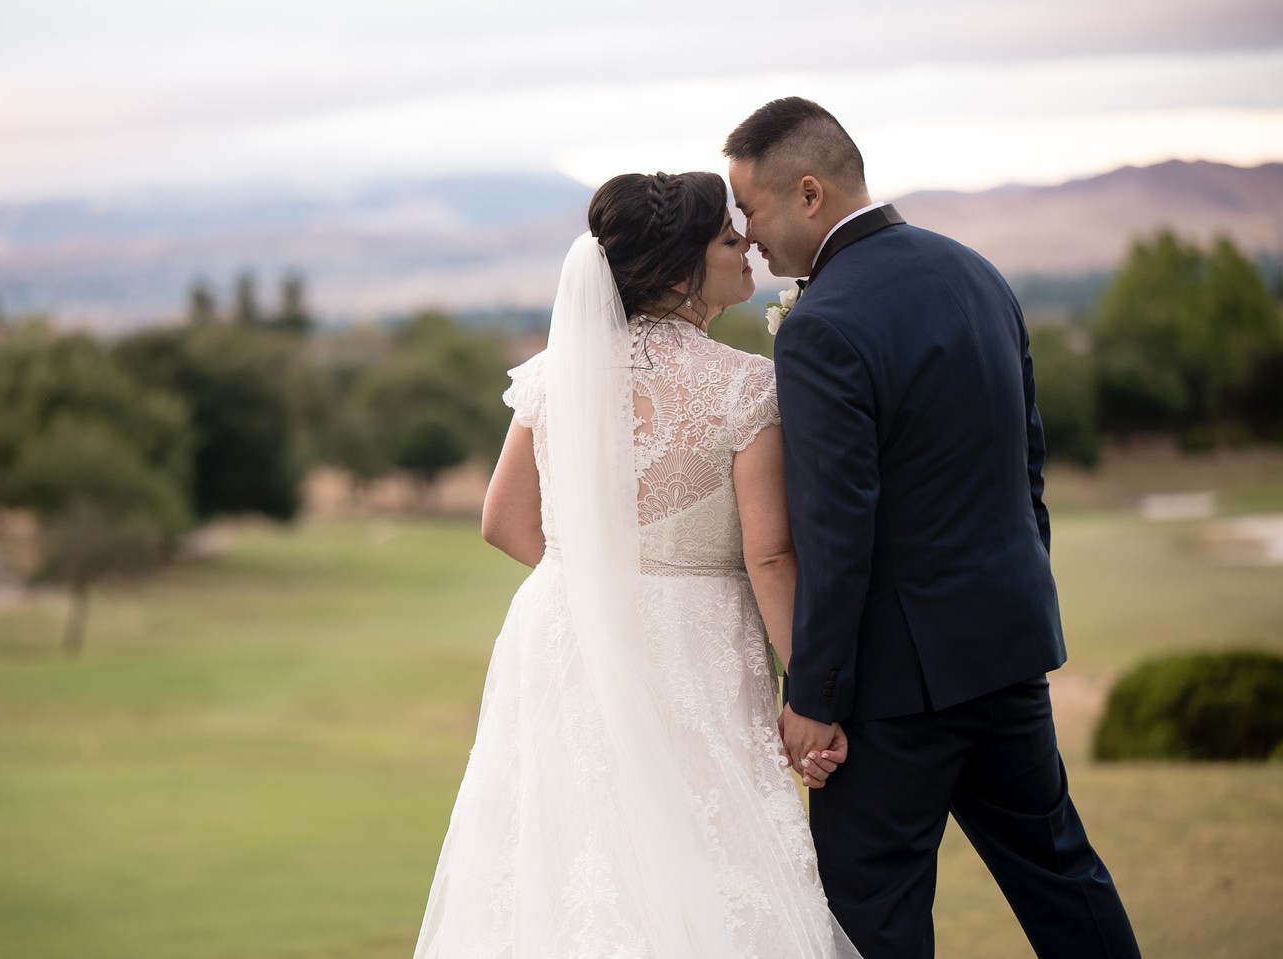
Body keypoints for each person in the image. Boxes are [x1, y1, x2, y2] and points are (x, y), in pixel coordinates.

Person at [724, 97, 1142, 959]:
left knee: (873, 914)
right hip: (1008, 647)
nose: (748, 234)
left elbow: (838, 532)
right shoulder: (977, 273)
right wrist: (1018, 604)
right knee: (1061, 874)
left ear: (809, 193)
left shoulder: (821, 327)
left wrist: (814, 694)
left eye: (752, 208)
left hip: (894, 692)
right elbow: (1028, 467)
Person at [412, 171, 860, 958]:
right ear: (682, 269)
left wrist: (599, 579)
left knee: (573, 850)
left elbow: (503, 522)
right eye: (728, 239)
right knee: (706, 844)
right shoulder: (745, 385)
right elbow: (770, 552)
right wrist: (810, 695)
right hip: (696, 644)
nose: (747, 245)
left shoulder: (558, 375)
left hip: (567, 630)